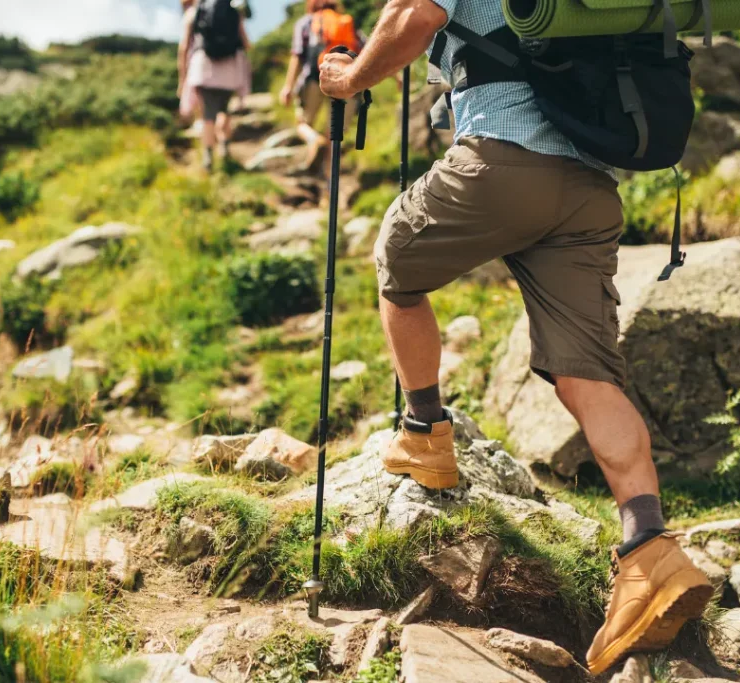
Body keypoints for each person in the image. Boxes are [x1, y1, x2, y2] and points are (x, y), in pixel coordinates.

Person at [317, 0, 713, 675]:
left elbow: (415, 13)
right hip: (588, 189)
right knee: (587, 371)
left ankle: (424, 433)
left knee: (397, 259)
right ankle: (649, 547)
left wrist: (353, 75)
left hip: (503, 162)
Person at [279, 0, 364, 172]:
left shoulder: (306, 22)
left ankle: (313, 140)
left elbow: (297, 55)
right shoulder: (346, 21)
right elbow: (367, 50)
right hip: (343, 80)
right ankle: (328, 181)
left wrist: (288, 86)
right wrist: (396, 77)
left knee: (302, 123)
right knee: (334, 136)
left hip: (314, 77)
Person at [178, 0, 252, 170]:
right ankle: (224, 148)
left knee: (208, 116)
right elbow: (246, 44)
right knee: (224, 110)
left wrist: (182, 78)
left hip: (204, 68)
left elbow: (184, 48)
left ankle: (208, 157)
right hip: (229, 70)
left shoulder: (194, 13)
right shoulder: (233, 11)